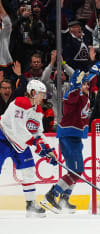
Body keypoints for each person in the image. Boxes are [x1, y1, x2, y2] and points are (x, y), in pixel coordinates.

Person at [41, 59, 100, 214]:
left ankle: (64, 198)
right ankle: (53, 194)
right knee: (77, 170)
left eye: (87, 84)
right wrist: (76, 85)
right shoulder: (73, 96)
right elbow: (71, 96)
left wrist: (96, 68)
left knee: (75, 170)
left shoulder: (85, 96)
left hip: (76, 138)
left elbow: (87, 79)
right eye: (83, 84)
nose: (86, 86)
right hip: (68, 137)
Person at [0, 79, 58, 218]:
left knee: (29, 170)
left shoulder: (37, 110)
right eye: (41, 94)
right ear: (33, 92)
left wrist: (49, 150)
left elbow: (37, 132)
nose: (43, 98)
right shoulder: (20, 103)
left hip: (20, 143)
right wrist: (37, 145)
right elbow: (18, 129)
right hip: (3, 137)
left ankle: (31, 205)